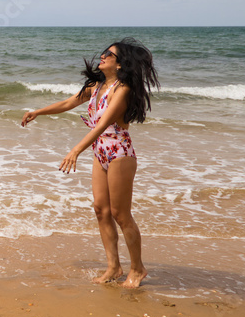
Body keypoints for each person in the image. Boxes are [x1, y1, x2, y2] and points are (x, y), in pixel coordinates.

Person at [21, 38, 159, 288]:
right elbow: (68, 103)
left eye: (109, 54)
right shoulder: (96, 87)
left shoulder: (122, 89)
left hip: (119, 151)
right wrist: (38, 111)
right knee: (100, 209)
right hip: (100, 152)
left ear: (120, 64)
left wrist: (76, 150)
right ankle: (114, 267)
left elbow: (104, 123)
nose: (103, 56)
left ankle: (137, 269)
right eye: (105, 52)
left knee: (121, 214)